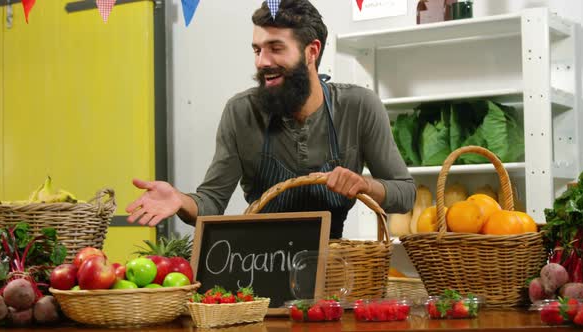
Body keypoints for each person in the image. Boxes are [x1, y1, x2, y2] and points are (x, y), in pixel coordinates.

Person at [126, 0, 416, 239]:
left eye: (275, 48)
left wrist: (365, 185)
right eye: (257, 49)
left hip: (334, 269)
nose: (262, 62)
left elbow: (405, 193)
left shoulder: (358, 106)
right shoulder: (242, 112)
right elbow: (211, 203)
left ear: (311, 52)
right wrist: (180, 200)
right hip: (260, 269)